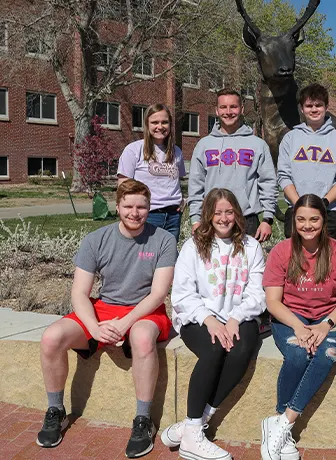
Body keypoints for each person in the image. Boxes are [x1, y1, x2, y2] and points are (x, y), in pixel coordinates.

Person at [36, 179, 177, 458]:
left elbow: (159, 293)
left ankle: (143, 420)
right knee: (51, 337)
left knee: (141, 339)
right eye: (128, 206)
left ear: (150, 208)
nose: (134, 213)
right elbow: (79, 292)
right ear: (117, 206)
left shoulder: (164, 240)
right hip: (103, 309)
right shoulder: (96, 239)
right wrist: (94, 328)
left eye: (141, 207)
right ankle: (56, 410)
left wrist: (125, 324)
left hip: (146, 311)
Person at [162, 188, 266, 460]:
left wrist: (234, 318)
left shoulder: (251, 246)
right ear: (208, 215)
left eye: (229, 212)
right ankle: (193, 436)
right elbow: (182, 294)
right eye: (217, 212)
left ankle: (193, 425)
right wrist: (209, 320)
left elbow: (257, 293)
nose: (223, 218)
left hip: (238, 316)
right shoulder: (193, 245)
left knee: (242, 350)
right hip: (198, 317)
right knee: (214, 350)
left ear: (237, 214)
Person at [260, 194, 336, 460]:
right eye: (301, 219)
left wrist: (326, 325)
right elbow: (273, 302)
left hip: (328, 319)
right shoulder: (282, 252)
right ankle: (282, 424)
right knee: (299, 354)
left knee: (327, 354)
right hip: (290, 318)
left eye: (314, 219)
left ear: (324, 221)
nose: (307, 225)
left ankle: (281, 423)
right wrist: (299, 328)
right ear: (294, 222)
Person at [188, 88, 277, 242]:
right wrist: (196, 220)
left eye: (233, 107)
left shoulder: (257, 145)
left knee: (247, 266)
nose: (228, 112)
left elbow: (268, 182)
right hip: (213, 219)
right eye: (223, 107)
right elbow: (196, 184)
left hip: (246, 219)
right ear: (216, 110)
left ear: (242, 109)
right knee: (213, 265)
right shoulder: (204, 145)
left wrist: (267, 219)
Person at [277, 84, 336, 241]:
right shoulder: (290, 138)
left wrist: (324, 202)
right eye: (309, 105)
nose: (314, 109)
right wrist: (299, 203)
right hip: (296, 209)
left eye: (318, 105)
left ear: (326, 107)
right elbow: (284, 176)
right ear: (301, 108)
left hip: (329, 211)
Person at [117, 103, 187, 241]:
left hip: (173, 216)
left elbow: (176, 181)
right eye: (155, 122)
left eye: (164, 122)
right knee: (144, 256)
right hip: (148, 215)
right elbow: (123, 187)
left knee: (168, 257)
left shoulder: (176, 151)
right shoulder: (133, 150)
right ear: (147, 125)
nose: (160, 126)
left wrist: (182, 200)